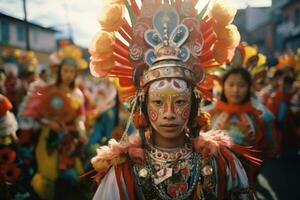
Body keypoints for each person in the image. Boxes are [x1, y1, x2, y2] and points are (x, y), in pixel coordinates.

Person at [89, 0, 259, 199]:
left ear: (194, 103)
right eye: (158, 102)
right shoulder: (123, 169)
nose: (168, 114)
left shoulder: (221, 161)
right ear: (143, 104)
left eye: (180, 102)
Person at [204, 67, 279, 191]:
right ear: (223, 85)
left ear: (249, 87)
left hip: (248, 176)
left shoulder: (260, 115)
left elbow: (267, 148)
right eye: (231, 84)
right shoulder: (208, 114)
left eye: (241, 85)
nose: (235, 90)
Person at [28, 45, 88, 200]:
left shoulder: (78, 94)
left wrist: (81, 132)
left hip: (68, 140)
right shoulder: (49, 89)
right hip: (49, 136)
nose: (68, 75)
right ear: (60, 71)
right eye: (65, 70)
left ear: (75, 73)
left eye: (71, 71)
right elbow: (37, 113)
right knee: (47, 173)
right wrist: (49, 122)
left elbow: (80, 118)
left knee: (68, 178)